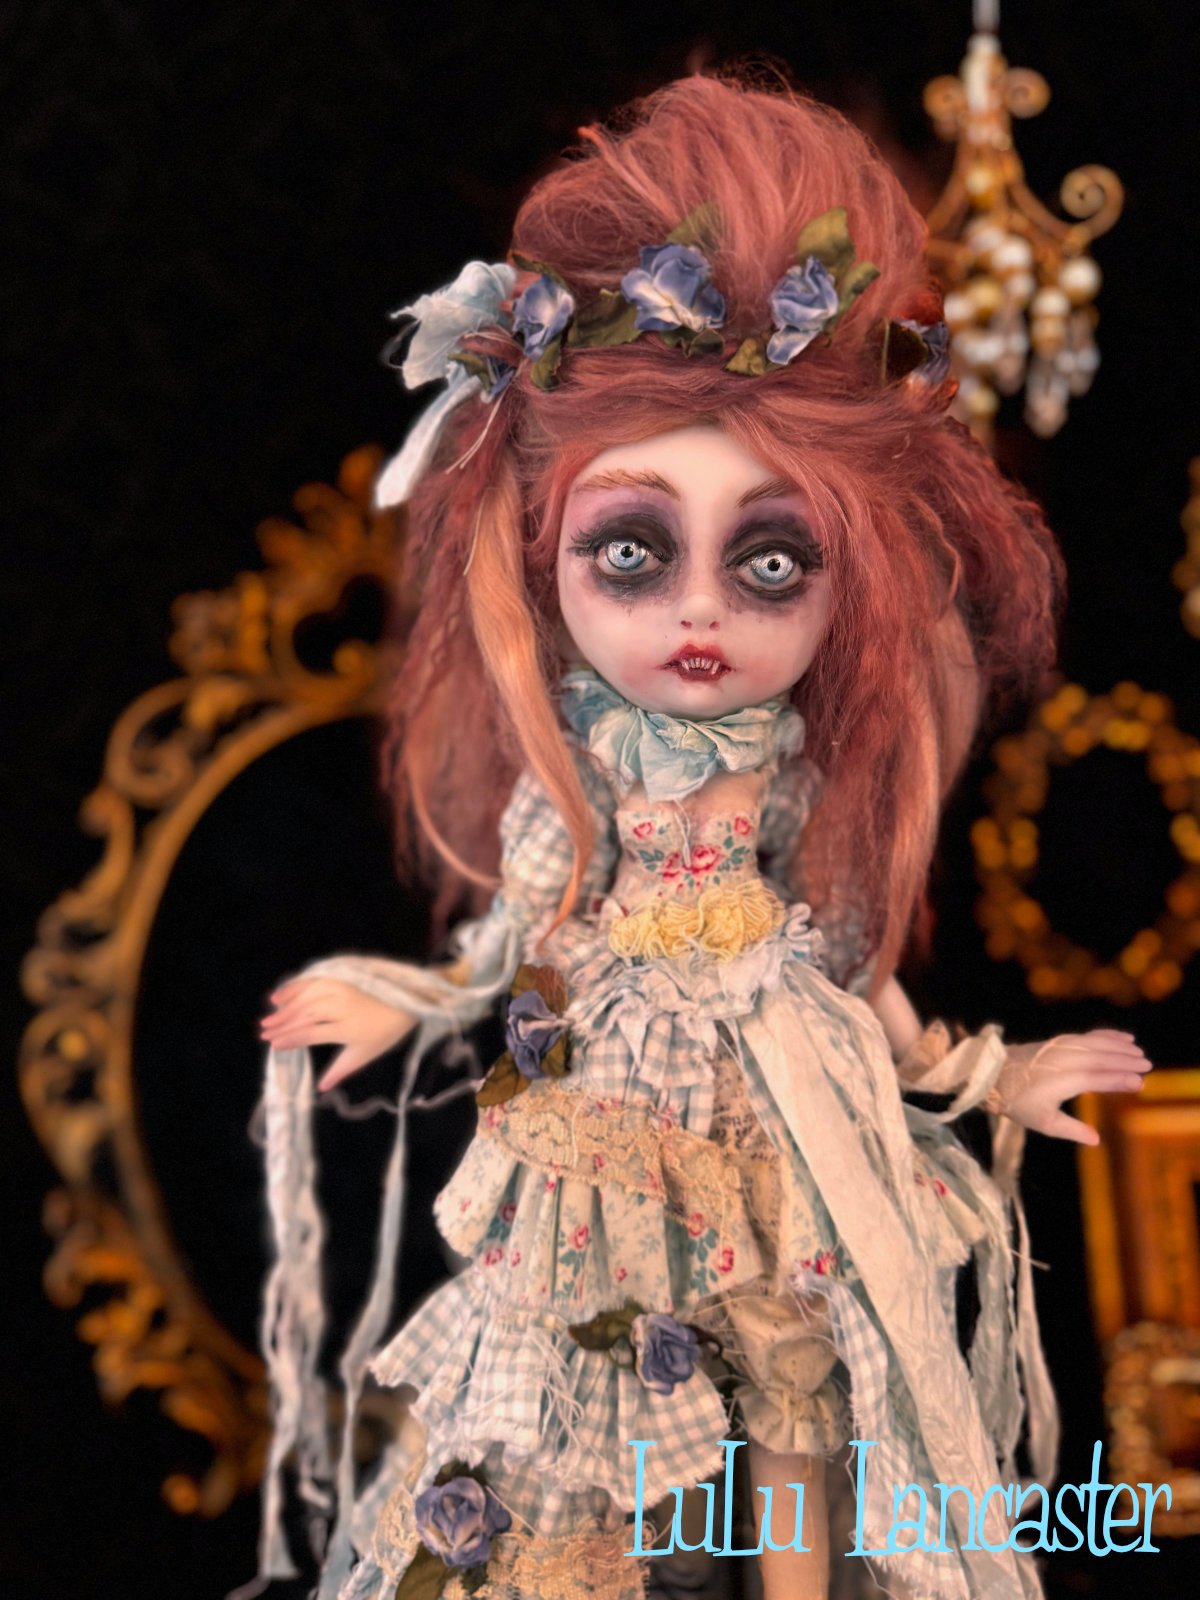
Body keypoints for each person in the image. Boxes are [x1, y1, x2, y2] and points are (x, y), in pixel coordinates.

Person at [253, 72, 1150, 1600]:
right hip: (613, 1125)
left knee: (805, 1383)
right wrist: (396, 1000)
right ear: (543, 559)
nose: (698, 614)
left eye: (772, 560)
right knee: (597, 1398)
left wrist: (996, 1078)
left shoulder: (793, 791)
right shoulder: (577, 800)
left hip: (791, 1108)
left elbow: (859, 986)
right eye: (631, 551)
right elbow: (509, 950)